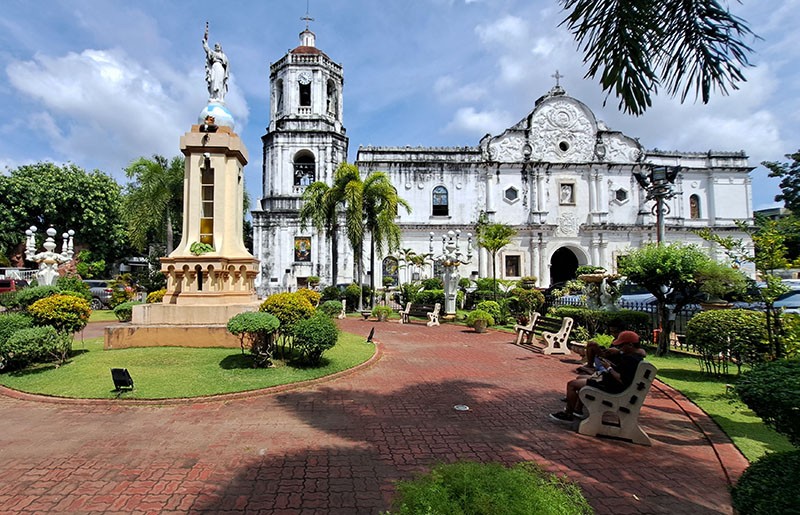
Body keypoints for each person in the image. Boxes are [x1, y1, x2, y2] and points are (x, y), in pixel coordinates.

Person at [550, 330, 645, 423]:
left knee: (571, 384)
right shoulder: (634, 357)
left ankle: (568, 414)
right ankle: (577, 409)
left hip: (611, 387)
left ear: (630, 345)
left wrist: (609, 368)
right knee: (579, 379)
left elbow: (621, 379)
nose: (619, 348)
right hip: (610, 383)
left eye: (621, 346)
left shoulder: (631, 360)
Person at [202, 28, 229, 102]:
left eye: (218, 46)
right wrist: (205, 42)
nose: (217, 47)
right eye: (216, 46)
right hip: (214, 67)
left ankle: (219, 97)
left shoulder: (224, 56)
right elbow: (207, 49)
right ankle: (213, 96)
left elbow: (227, 65)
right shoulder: (213, 53)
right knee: (213, 80)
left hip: (220, 69)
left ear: (220, 47)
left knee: (220, 82)